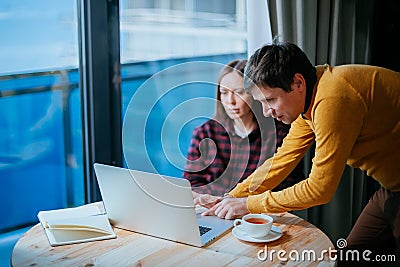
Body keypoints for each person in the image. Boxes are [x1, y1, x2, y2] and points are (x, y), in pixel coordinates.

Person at [194, 41, 400, 265]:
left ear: (298, 83)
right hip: (392, 189)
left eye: (271, 100)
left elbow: (319, 189)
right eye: (261, 102)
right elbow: (280, 161)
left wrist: (248, 204)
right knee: (346, 259)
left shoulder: (333, 99)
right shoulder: (311, 99)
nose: (267, 112)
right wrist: (232, 197)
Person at [183, 59, 305, 196]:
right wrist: (216, 201)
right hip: (213, 211)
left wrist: (242, 202)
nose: (230, 101)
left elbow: (288, 184)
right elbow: (191, 182)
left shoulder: (279, 132)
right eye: (224, 92)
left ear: (255, 94)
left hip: (258, 213)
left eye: (239, 92)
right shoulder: (205, 132)